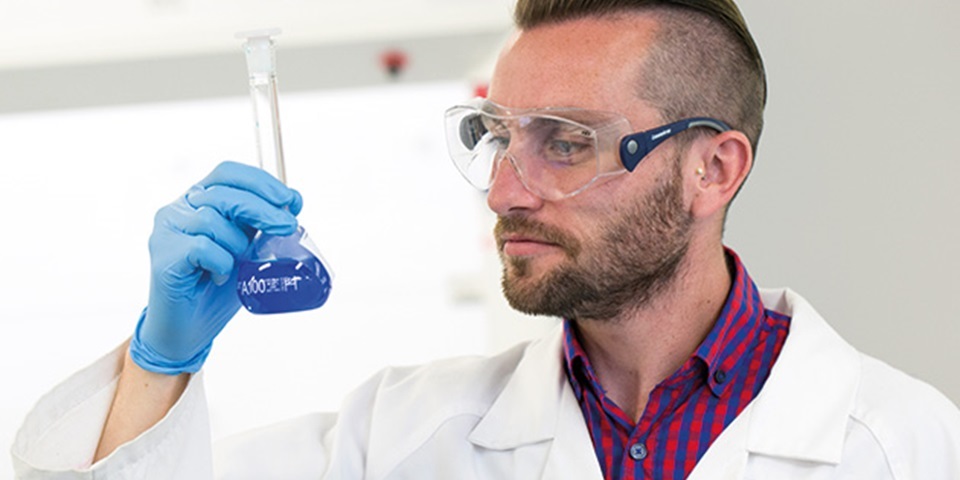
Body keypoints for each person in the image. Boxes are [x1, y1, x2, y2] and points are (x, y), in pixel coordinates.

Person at [12, 0, 960, 478]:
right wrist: (159, 358)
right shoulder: (401, 437)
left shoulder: (911, 447)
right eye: (501, 136)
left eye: (568, 142)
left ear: (712, 170)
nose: (508, 188)